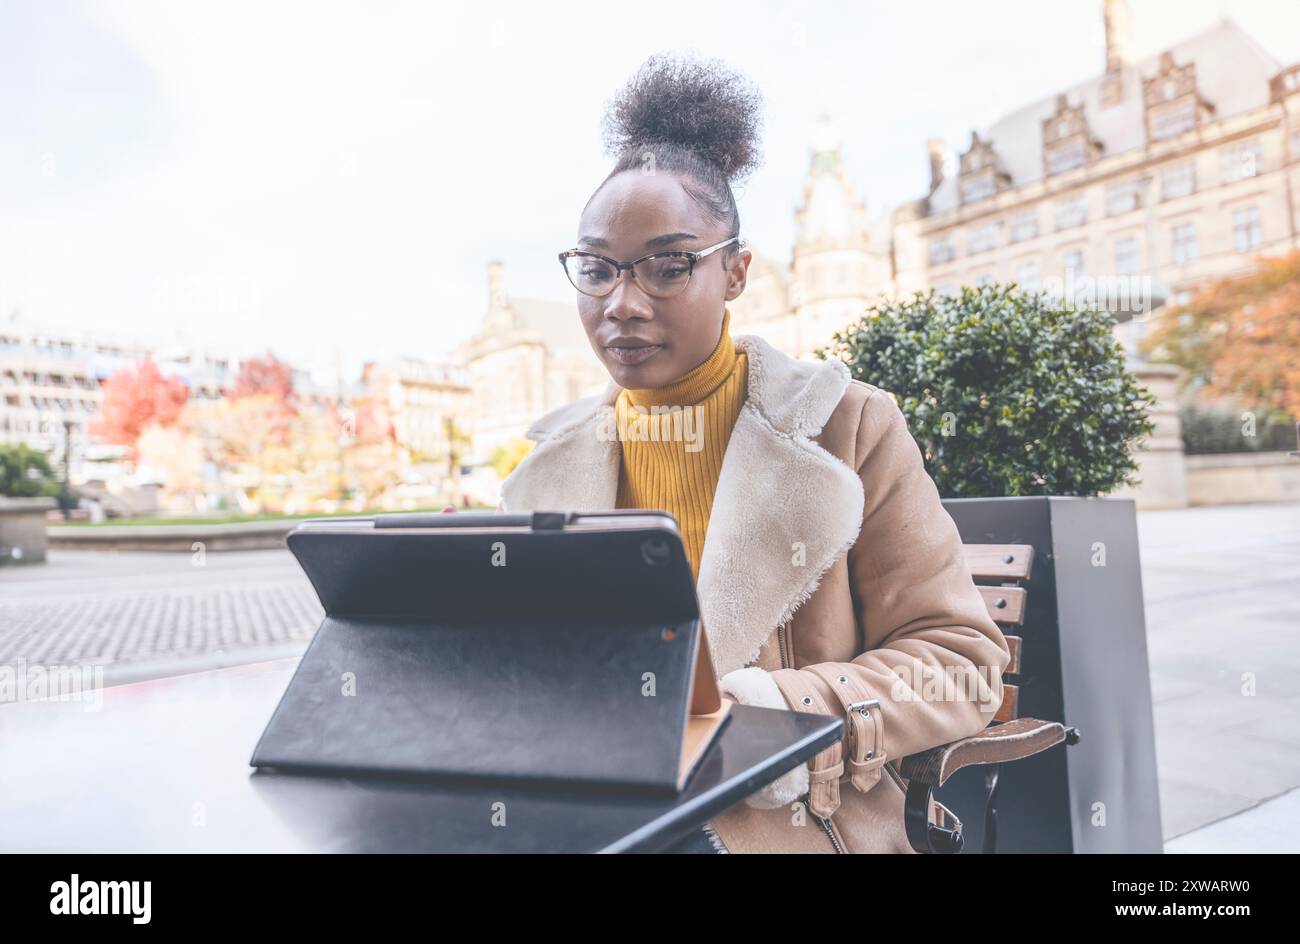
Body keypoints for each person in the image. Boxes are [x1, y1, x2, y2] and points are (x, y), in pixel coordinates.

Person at [497, 54, 1011, 854]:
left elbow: (964, 666)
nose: (622, 303)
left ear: (736, 271)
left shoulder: (850, 427)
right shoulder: (547, 469)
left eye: (668, 266)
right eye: (597, 269)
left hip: (784, 827)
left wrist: (784, 710)